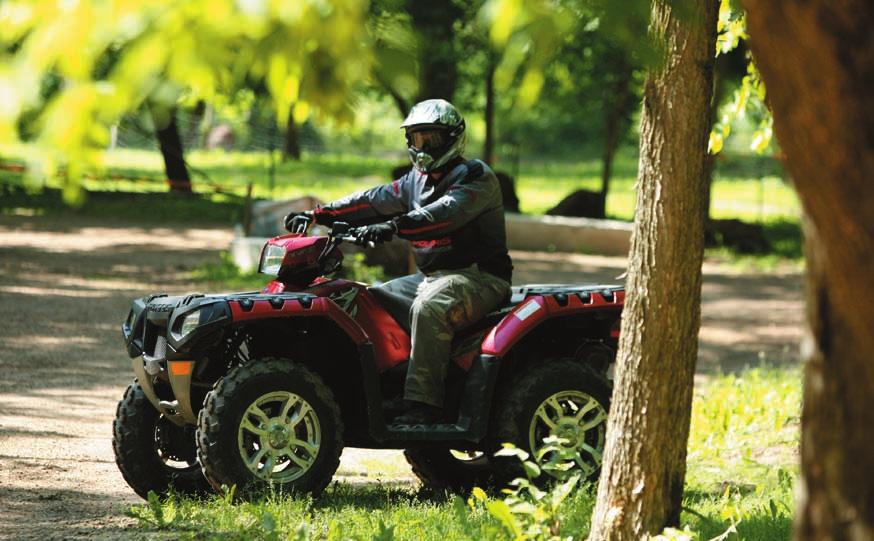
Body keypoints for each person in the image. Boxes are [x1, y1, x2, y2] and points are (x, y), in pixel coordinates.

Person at [286, 99, 513, 424]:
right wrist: (318, 214)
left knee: (429, 308)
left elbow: (442, 215)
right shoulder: (414, 181)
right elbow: (373, 199)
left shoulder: (476, 178)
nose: (422, 147)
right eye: (416, 139)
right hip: (431, 277)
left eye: (430, 139)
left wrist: (392, 226)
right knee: (370, 300)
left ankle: (424, 406)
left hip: (479, 278)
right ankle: (390, 387)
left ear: (453, 138)